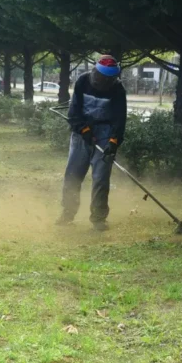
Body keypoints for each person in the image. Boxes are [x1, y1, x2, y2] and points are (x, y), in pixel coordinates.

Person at [56, 55, 127, 231]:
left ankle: (98, 218)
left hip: (105, 134)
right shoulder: (82, 81)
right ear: (95, 72)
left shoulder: (117, 89)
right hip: (82, 133)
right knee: (73, 175)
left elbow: (120, 118)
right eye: (100, 77)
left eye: (108, 79)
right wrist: (83, 130)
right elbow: (74, 112)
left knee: (101, 178)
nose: (102, 81)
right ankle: (68, 213)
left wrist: (114, 141)